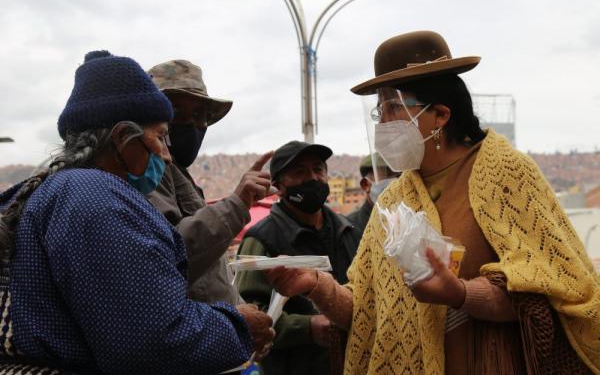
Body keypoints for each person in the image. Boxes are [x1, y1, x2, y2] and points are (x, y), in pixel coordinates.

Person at [266, 31, 600, 375]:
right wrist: (317, 286)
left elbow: (551, 288)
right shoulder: (395, 198)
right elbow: (367, 313)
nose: (384, 123)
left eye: (393, 106)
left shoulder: (506, 172)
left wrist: (459, 293)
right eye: (379, 113)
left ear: (440, 114)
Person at [0, 51, 274, 374]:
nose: (167, 157)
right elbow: (152, 341)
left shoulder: (61, 189)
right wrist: (236, 325)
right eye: (160, 137)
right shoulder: (96, 196)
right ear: (121, 137)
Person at [146, 60, 273, 305]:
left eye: (200, 115)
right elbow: (169, 256)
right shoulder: (149, 171)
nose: (193, 124)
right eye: (178, 112)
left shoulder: (179, 174)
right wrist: (236, 204)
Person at [237, 141, 362, 375]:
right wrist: (307, 328)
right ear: (279, 187)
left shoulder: (349, 231)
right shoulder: (261, 239)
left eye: (318, 169)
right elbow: (247, 315)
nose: (313, 178)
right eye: (299, 172)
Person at [346, 153, 397, 234]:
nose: (395, 183)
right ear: (365, 185)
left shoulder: (410, 220)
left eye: (398, 176)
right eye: (387, 175)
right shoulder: (349, 228)